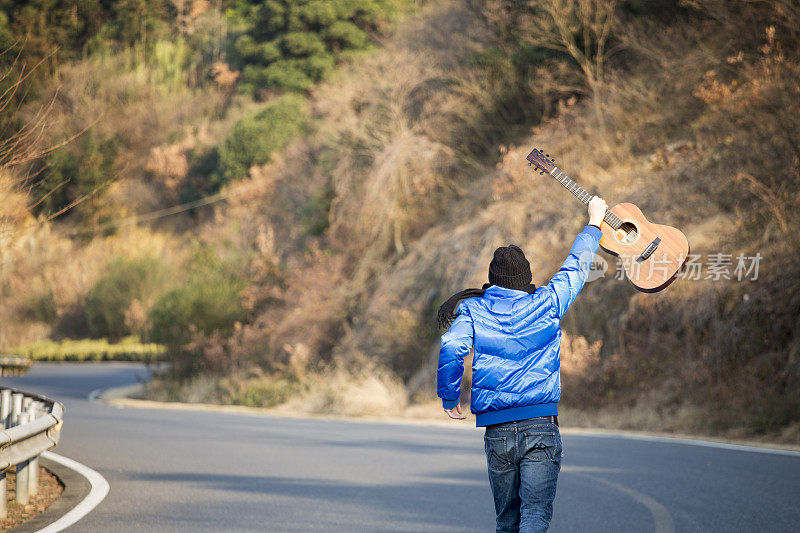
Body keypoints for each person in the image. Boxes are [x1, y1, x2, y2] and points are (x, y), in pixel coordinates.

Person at [435, 196, 608, 533]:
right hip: (541, 424)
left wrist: (450, 397)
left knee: (507, 520)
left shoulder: (474, 310)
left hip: (497, 431)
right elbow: (576, 266)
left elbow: (452, 345)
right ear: (527, 279)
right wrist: (594, 223)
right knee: (535, 517)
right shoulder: (548, 302)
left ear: (492, 280)